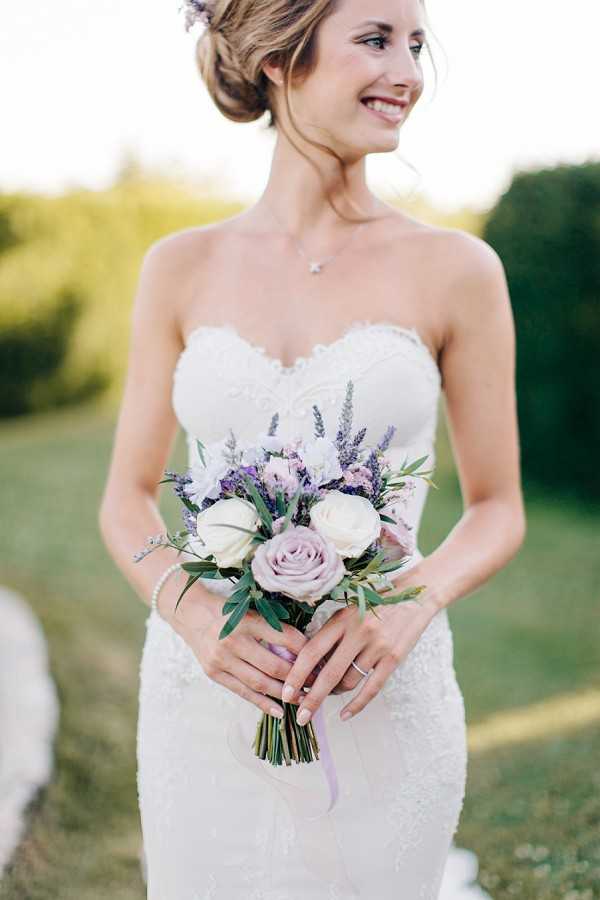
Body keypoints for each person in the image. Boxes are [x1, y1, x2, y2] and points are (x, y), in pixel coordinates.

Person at [98, 0, 526, 897]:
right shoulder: (180, 266)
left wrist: (412, 600)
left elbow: (498, 510)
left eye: (416, 44)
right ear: (279, 60)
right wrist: (193, 619)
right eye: (375, 40)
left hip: (380, 685)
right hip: (206, 693)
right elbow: (128, 497)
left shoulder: (458, 270)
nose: (408, 71)